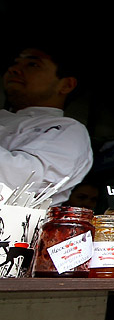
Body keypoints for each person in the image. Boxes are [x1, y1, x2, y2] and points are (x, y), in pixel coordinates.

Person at [1, 44, 93, 204]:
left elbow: (23, 181)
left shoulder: (68, 130)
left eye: (33, 64)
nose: (14, 69)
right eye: (15, 63)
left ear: (66, 85)